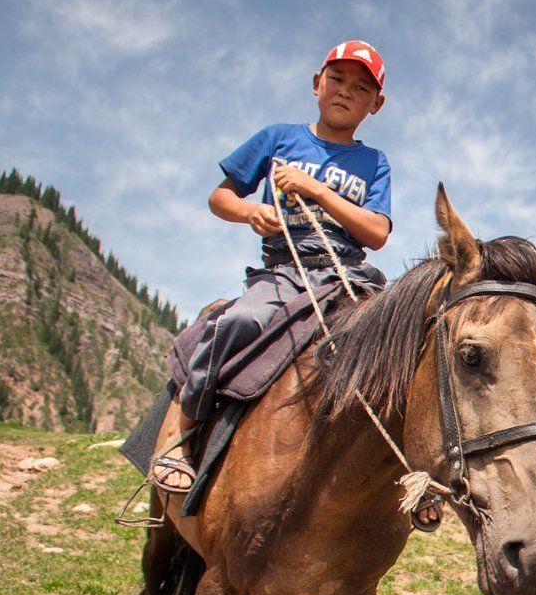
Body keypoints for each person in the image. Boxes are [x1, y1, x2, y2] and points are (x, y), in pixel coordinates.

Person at [149, 41, 441, 528]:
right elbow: (219, 198)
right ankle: (179, 437)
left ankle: (418, 474)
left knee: (407, 348)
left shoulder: (374, 162)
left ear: (376, 104)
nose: (346, 92)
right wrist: (250, 211)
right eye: (337, 80)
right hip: (285, 270)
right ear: (316, 83)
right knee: (238, 320)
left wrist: (317, 191)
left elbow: (377, 233)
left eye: (361, 87)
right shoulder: (278, 138)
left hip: (349, 273)